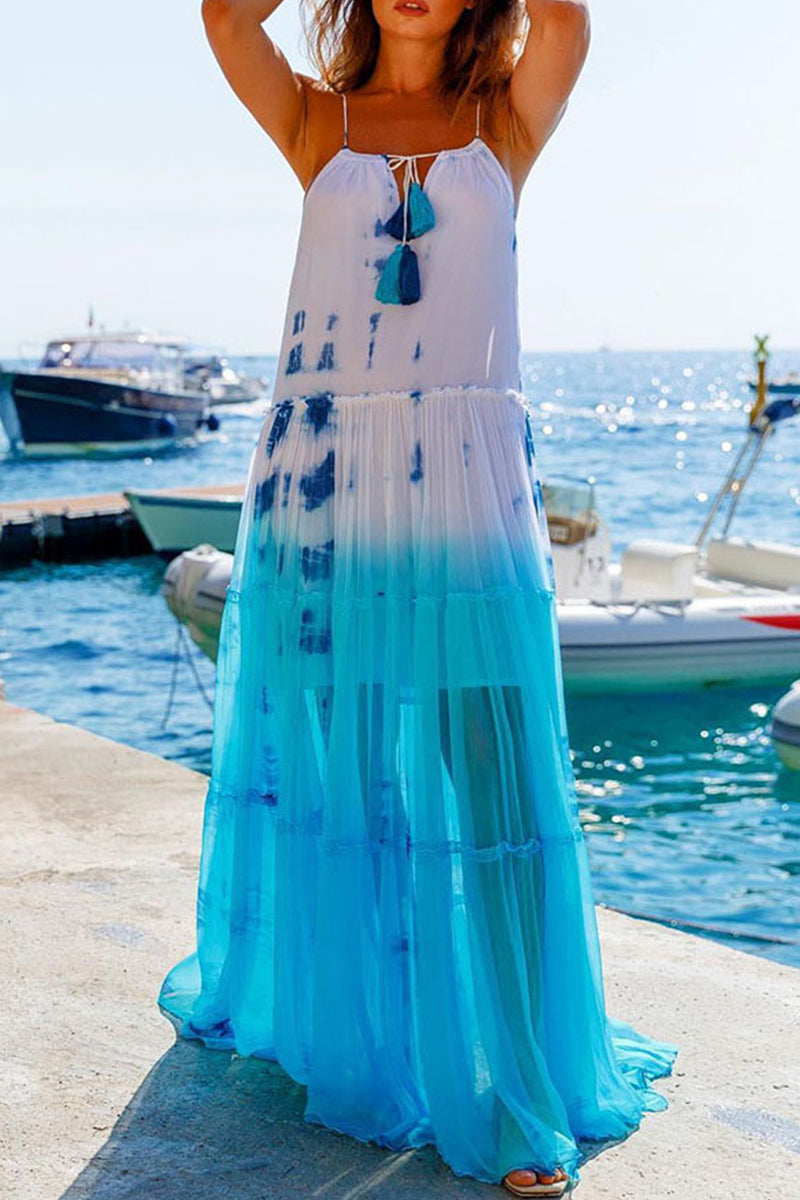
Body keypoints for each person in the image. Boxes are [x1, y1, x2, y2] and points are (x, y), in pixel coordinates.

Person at [158, 1, 679, 1194]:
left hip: (465, 488)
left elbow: (566, 22)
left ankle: (519, 1080)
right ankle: (357, 1043)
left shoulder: (507, 118)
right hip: (324, 487)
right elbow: (226, 17)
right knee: (341, 786)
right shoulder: (316, 120)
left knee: (493, 789)